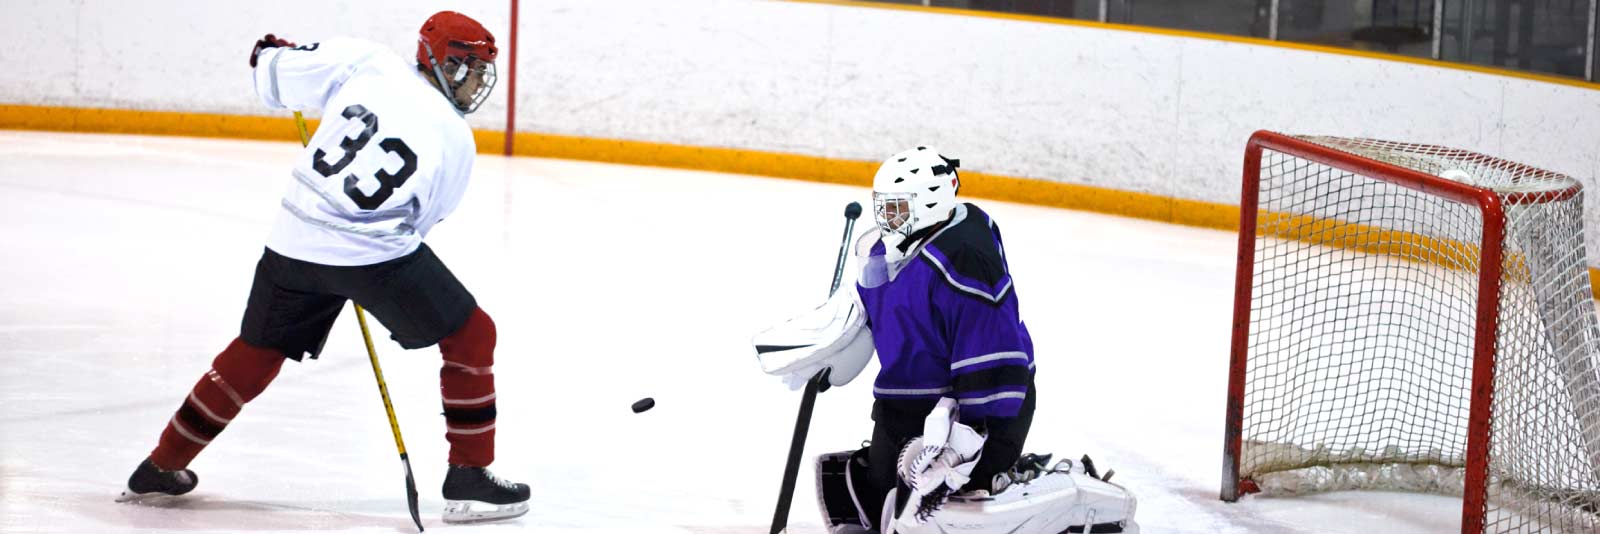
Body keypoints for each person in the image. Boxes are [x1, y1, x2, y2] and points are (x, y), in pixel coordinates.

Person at [118, 11, 530, 524]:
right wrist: (359, 270)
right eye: (468, 69)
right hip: (372, 255)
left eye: (480, 72)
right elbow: (424, 221)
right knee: (472, 335)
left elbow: (271, 73)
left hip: (292, 238)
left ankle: (161, 465)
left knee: (258, 348)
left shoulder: (366, 61)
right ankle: (470, 478)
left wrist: (272, 54)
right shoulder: (455, 137)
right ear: (440, 61)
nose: (474, 83)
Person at [754, 146, 1037, 531]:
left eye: (898, 208)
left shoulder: (965, 259)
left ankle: (1015, 485)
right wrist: (828, 349)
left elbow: (992, 355)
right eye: (883, 207)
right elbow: (872, 314)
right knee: (877, 497)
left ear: (930, 203)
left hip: (976, 407)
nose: (887, 218)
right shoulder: (884, 252)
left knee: (933, 514)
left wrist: (965, 442)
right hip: (904, 403)